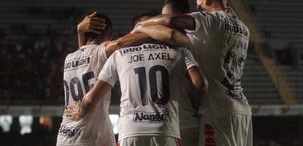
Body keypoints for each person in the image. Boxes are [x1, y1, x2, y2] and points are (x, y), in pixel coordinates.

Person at [133, 0, 252, 146]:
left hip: (216, 109)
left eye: (198, 4)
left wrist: (142, 25)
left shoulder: (209, 20)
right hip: (242, 109)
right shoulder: (243, 27)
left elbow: (170, 21)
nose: (198, 9)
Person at [57, 11, 165, 146]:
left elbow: (87, 55)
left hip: (65, 134)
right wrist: (156, 31)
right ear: (107, 33)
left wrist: (80, 31)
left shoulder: (69, 58)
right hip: (89, 135)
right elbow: (119, 44)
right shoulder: (100, 52)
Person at [65, 42, 206, 145]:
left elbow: (93, 95)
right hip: (166, 130)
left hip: (130, 132)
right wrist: (196, 102)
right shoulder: (178, 51)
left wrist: (83, 106)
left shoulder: (119, 54)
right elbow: (200, 84)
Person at [161, 0, 201, 146]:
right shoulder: (198, 41)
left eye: (165, 17)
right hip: (187, 122)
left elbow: (199, 83)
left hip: (175, 124)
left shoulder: (183, 46)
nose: (162, 21)